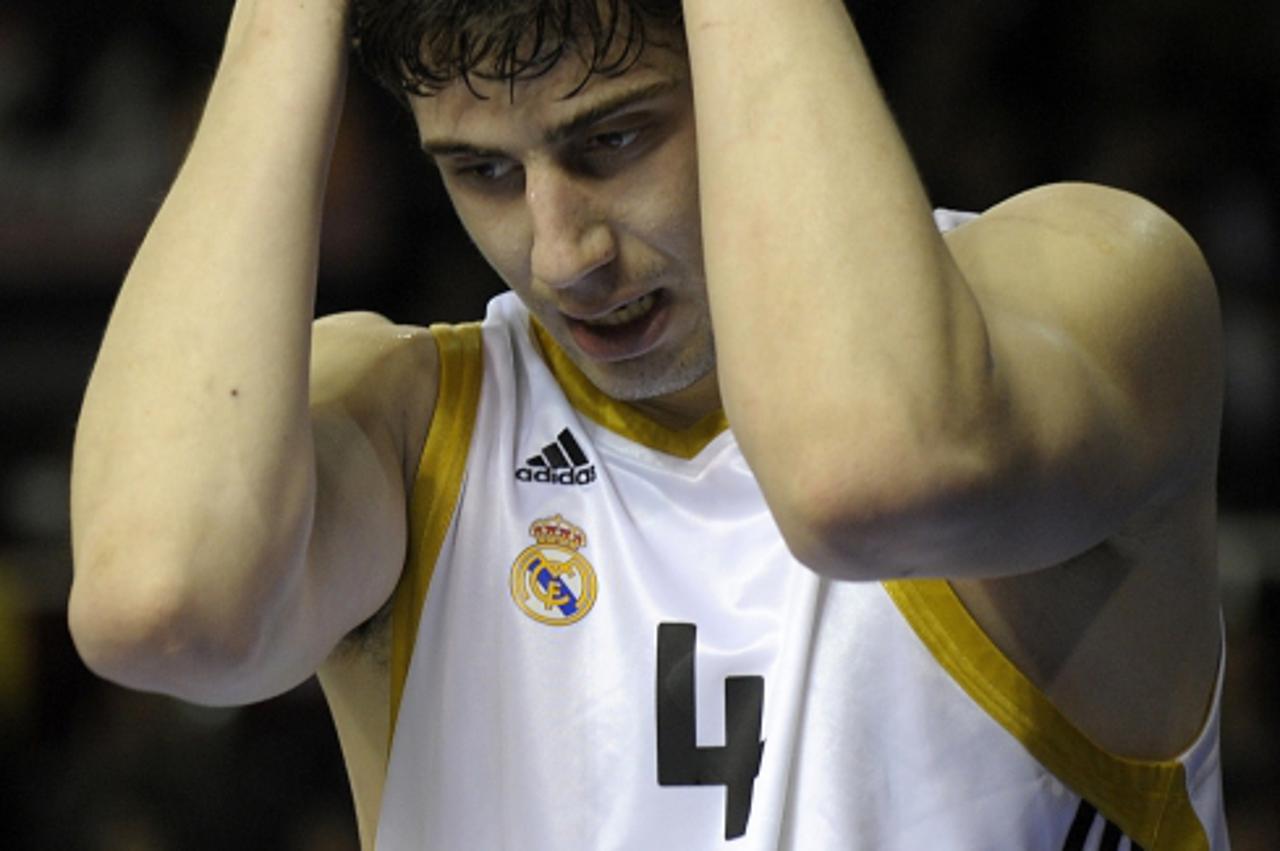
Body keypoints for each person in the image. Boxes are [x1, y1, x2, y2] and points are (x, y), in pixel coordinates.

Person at [67, 0, 1229, 848]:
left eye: (612, 139)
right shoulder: (405, 415)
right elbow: (159, 607)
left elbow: (868, 473)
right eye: (480, 171)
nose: (562, 251)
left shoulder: (1097, 282)